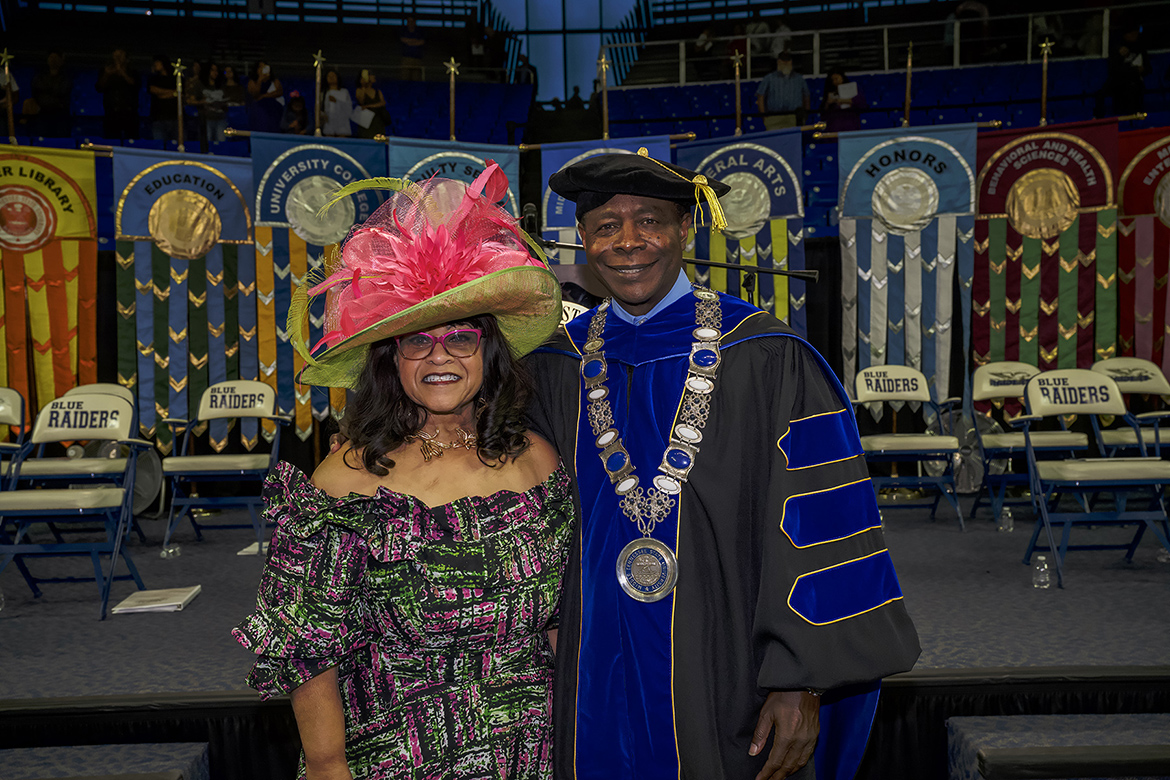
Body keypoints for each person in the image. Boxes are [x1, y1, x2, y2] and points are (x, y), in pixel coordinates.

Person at [527, 150, 920, 779]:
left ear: (686, 228)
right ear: (584, 240)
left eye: (650, 221)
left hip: (729, 660)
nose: (629, 242)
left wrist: (801, 678)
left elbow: (818, 530)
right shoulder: (555, 364)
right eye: (606, 227)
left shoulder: (767, 357)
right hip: (590, 659)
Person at [235, 166, 569, 779]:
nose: (439, 356)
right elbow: (309, 654)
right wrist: (328, 764)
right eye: (418, 342)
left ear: (489, 353)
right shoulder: (344, 484)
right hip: (397, 752)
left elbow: (554, 624)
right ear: (392, 361)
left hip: (531, 746)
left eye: (461, 339)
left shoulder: (537, 461)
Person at [756, 51, 809, 129]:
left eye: (788, 60)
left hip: (794, 117)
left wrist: (805, 114)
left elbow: (806, 97)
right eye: (783, 61)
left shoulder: (799, 79)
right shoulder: (769, 78)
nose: (786, 63)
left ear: (791, 62)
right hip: (774, 117)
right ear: (778, 62)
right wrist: (764, 116)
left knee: (794, 139)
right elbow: (760, 96)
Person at [96, 48, 140, 141]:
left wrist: (122, 72)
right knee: (112, 139)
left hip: (130, 113)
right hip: (111, 113)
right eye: (116, 56)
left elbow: (135, 84)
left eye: (120, 55)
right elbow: (99, 87)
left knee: (131, 139)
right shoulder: (106, 70)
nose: (118, 58)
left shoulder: (133, 71)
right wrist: (107, 74)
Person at [28, 51, 72, 138]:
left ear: (61, 60)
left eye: (56, 58)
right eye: (51, 58)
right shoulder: (40, 77)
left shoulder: (66, 77)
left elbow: (63, 91)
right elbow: (36, 92)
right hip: (43, 115)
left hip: (61, 115)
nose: (53, 61)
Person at [821, 69, 865, 133]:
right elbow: (823, 115)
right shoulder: (829, 92)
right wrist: (828, 103)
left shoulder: (853, 89)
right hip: (834, 127)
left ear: (842, 78)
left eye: (837, 78)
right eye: (833, 80)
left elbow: (862, 104)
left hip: (850, 124)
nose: (835, 81)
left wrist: (843, 100)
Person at [147, 55, 178, 144]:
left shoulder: (174, 78)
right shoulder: (153, 78)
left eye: (157, 62)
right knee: (159, 145)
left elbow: (178, 93)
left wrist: (162, 93)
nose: (155, 64)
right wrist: (171, 93)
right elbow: (153, 90)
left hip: (174, 117)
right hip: (158, 118)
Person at [247, 60, 284, 133]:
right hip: (260, 108)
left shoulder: (274, 81)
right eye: (260, 67)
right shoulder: (252, 82)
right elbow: (255, 95)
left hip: (274, 108)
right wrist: (260, 80)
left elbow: (279, 92)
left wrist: (264, 96)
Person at [353, 69, 388, 139]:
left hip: (377, 121)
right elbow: (361, 102)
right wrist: (363, 86)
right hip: (366, 122)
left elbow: (383, 103)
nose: (373, 76)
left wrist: (368, 106)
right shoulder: (359, 90)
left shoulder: (378, 92)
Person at [320, 68, 352, 137]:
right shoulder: (324, 93)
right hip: (329, 124)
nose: (331, 78)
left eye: (333, 76)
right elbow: (319, 108)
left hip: (342, 125)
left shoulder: (344, 92)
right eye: (329, 76)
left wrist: (337, 102)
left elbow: (349, 109)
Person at [400, 16, 425, 80]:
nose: (410, 23)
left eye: (412, 21)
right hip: (406, 58)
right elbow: (403, 39)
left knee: (416, 78)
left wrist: (409, 41)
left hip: (417, 59)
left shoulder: (419, 32)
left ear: (414, 22)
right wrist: (415, 41)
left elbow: (421, 42)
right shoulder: (404, 31)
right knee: (405, 77)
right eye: (409, 21)